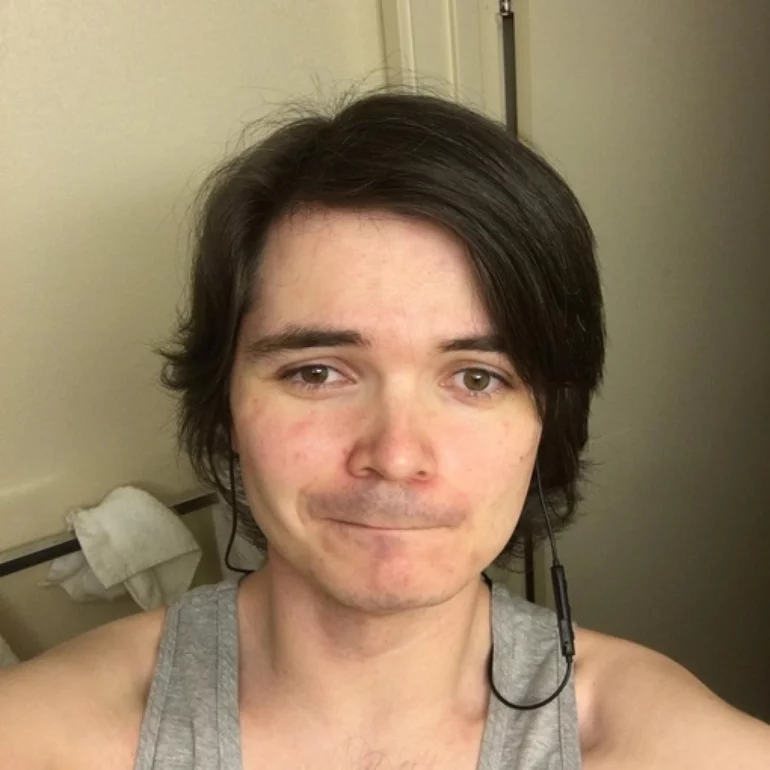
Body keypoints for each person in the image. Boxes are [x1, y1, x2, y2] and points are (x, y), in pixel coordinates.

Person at [1, 90, 768, 770]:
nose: (397, 455)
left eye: (477, 378)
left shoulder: (670, 750)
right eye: (317, 372)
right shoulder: (40, 739)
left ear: (547, 423)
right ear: (226, 405)